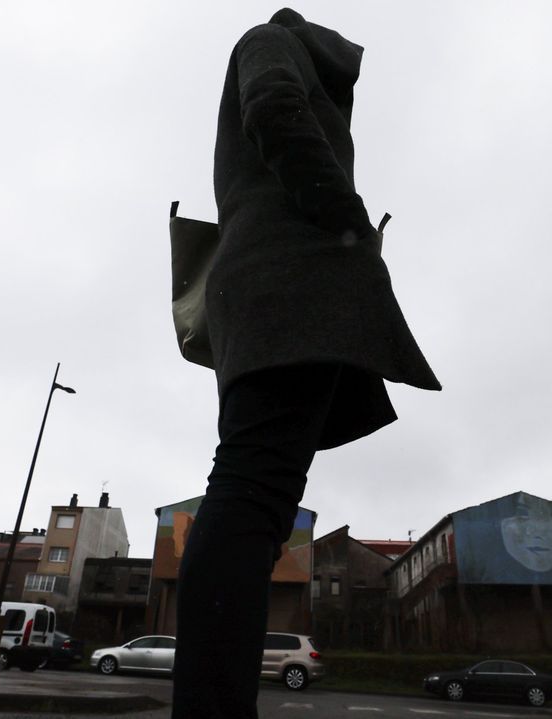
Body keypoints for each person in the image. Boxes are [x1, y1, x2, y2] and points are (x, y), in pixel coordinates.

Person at [170, 8, 440, 718]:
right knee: (252, 492)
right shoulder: (271, 41)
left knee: (260, 502)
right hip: (290, 283)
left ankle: (217, 700)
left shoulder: (271, 48)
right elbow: (274, 107)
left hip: (273, 292)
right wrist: (347, 218)